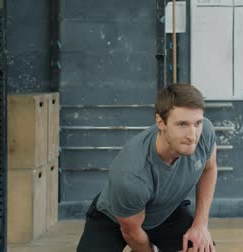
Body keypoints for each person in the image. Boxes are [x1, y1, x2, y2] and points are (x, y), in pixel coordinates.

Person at [77, 83, 218, 252]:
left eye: (197, 123)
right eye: (182, 124)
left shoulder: (205, 132)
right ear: (161, 123)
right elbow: (131, 233)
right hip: (116, 219)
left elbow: (209, 169)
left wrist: (200, 225)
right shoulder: (131, 176)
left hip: (165, 211)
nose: (192, 135)